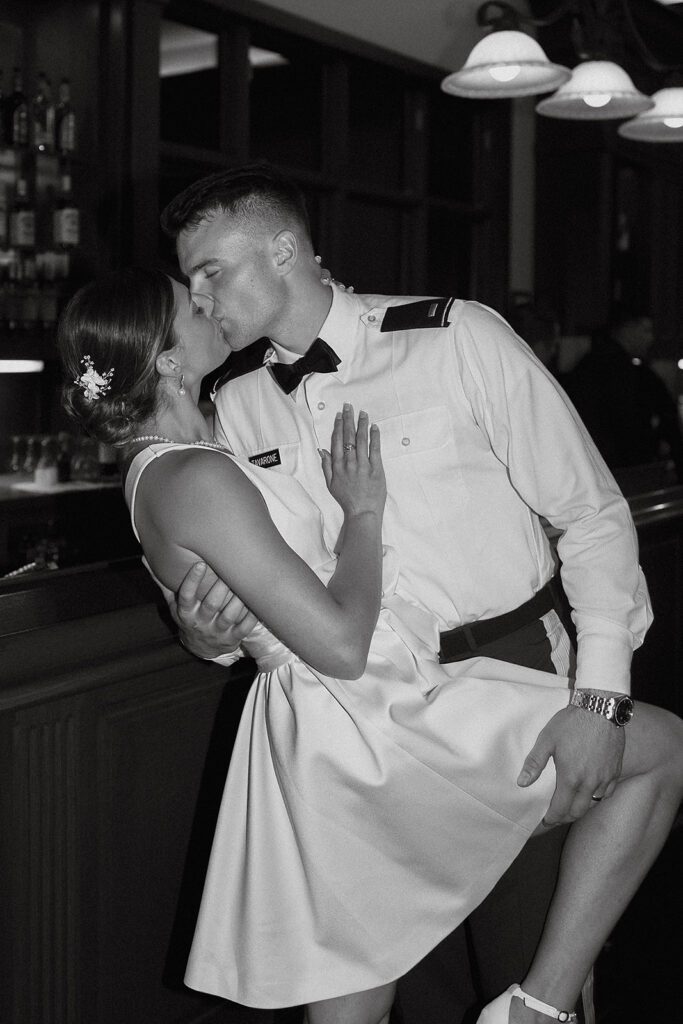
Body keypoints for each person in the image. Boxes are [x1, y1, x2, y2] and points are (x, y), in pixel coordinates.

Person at [58, 264, 682, 1024]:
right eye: (192, 303)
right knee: (659, 750)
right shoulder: (191, 471)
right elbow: (340, 641)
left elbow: (233, 598)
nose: (208, 305)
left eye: (211, 281)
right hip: (364, 714)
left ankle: (537, 1002)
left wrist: (203, 626)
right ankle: (536, 1009)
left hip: (364, 710)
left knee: (360, 988)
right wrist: (363, 512)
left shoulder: (201, 445)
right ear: (165, 359)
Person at [563, 312, 683, 485]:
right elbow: (659, 419)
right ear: (626, 329)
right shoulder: (628, 372)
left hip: (587, 466)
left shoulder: (588, 363)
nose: (650, 338)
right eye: (645, 330)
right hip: (621, 469)